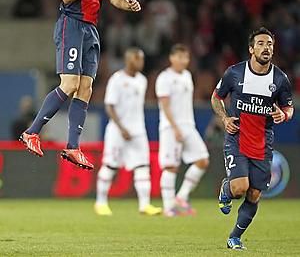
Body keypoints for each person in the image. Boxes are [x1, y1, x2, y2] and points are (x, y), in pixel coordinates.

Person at [19, 0, 141, 170]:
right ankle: (32, 132)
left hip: (91, 31)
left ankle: (73, 147)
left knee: (85, 89)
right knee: (70, 83)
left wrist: (128, 4)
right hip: (71, 26)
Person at [211, 27, 294, 250]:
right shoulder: (235, 73)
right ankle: (227, 188)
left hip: (263, 144)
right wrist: (225, 118)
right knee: (240, 188)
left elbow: (288, 108)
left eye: (269, 44)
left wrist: (283, 114)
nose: (266, 48)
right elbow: (216, 97)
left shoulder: (280, 79)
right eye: (261, 43)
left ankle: (235, 237)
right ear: (251, 48)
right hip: (237, 139)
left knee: (254, 194)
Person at [95, 48, 161, 216]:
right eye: (137, 59)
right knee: (110, 165)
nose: (140, 62)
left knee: (142, 166)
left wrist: (132, 127)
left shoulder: (142, 80)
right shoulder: (117, 79)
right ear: (128, 60)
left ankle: (144, 205)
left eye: (141, 59)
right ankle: (100, 203)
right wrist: (121, 127)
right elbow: (109, 106)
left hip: (138, 131)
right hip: (117, 131)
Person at [155, 44, 209, 217]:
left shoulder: (187, 76)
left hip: (188, 125)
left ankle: (181, 197)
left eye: (185, 57)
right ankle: (168, 207)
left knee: (203, 160)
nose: (182, 60)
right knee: (171, 166)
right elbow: (165, 105)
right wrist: (175, 127)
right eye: (179, 57)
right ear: (171, 58)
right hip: (170, 127)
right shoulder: (164, 78)